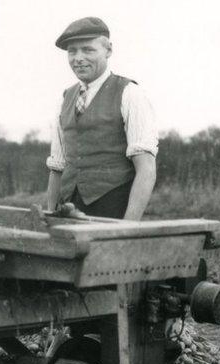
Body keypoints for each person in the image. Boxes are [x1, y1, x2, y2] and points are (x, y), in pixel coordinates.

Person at [44, 17, 158, 220]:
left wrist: (127, 228)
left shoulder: (130, 93)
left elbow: (146, 169)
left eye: (88, 50)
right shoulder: (65, 98)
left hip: (113, 208)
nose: (78, 58)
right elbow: (57, 167)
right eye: (72, 51)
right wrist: (48, 217)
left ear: (108, 50)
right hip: (69, 208)